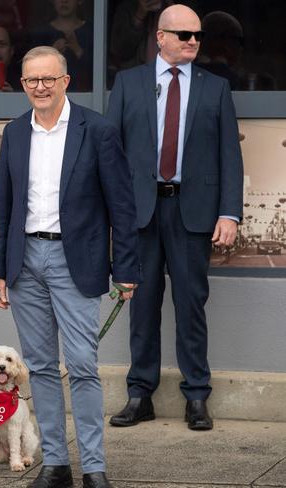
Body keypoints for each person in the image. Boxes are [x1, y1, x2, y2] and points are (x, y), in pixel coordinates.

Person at [0, 46, 140, 488]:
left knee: (83, 365)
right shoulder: (16, 133)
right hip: (25, 262)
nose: (40, 87)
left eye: (48, 79)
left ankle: (94, 467)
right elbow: (4, 208)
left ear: (66, 81)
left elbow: (122, 208)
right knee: (39, 368)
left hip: (78, 262)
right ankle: (55, 464)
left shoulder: (99, 130)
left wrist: (125, 268)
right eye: (32, 80)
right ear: (23, 84)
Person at [107, 4, 243, 431]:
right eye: (184, 34)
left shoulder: (215, 87)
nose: (193, 41)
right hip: (141, 214)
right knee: (141, 307)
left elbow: (229, 156)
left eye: (197, 35)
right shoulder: (128, 84)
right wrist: (113, 214)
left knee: (191, 305)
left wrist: (230, 213)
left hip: (194, 212)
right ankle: (139, 393)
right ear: (160, 37)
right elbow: (112, 156)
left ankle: (197, 396)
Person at [31, 0, 93, 92]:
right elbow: (32, 71)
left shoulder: (91, 31)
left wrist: (77, 50)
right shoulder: (42, 32)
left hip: (86, 94)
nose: (64, 1)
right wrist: (52, 52)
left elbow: (98, 72)